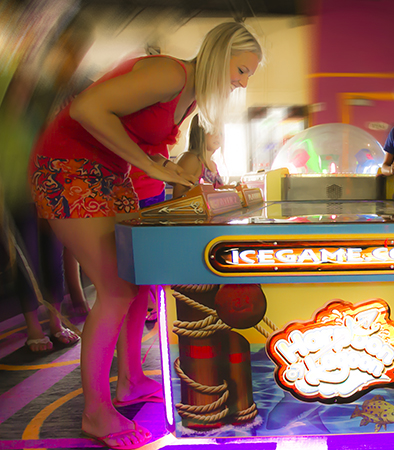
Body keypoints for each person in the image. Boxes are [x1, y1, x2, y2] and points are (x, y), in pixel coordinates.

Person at [29, 22, 262, 449]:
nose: (242, 82)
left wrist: (164, 165)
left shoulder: (191, 96)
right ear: (221, 53)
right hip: (68, 167)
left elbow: (137, 136)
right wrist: (153, 166)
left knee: (137, 283)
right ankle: (96, 413)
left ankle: (131, 380)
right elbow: (86, 111)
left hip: (109, 173)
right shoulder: (172, 74)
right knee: (115, 289)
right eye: (242, 69)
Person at [172, 114, 230, 198]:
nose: (218, 136)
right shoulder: (191, 159)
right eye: (212, 131)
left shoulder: (213, 164)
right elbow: (178, 198)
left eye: (221, 132)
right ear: (199, 132)